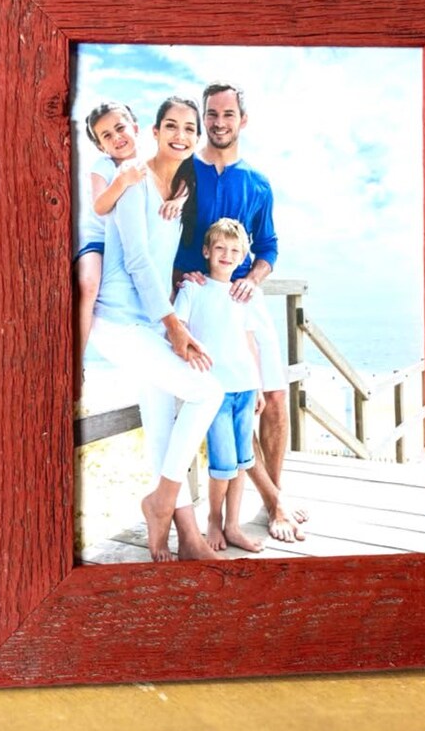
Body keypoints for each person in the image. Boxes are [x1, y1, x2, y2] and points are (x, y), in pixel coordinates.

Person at [85, 96, 223, 562]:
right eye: (172, 126)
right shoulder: (133, 182)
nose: (181, 135)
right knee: (208, 392)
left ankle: (189, 539)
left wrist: (181, 285)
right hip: (120, 323)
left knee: (163, 431)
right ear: (155, 131)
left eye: (189, 128)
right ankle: (160, 501)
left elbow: (161, 260)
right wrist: (174, 326)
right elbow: (138, 262)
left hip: (147, 323)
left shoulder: (177, 190)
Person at [173, 82, 306, 542]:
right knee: (225, 397)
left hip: (245, 301)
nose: (219, 123)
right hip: (200, 301)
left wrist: (255, 278)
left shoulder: (258, 183)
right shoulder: (183, 172)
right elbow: (164, 232)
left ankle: (273, 497)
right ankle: (272, 503)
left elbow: (268, 247)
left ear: (242, 120)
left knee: (275, 397)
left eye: (228, 114)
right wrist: (180, 277)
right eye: (211, 114)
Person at [173, 218, 266, 554]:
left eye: (235, 250)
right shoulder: (193, 289)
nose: (227, 255)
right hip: (214, 391)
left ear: (243, 257)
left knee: (242, 462)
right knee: (222, 465)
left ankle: (233, 526)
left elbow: (250, 342)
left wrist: (258, 387)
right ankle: (214, 519)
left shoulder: (243, 294)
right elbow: (177, 329)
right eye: (220, 248)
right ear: (206, 251)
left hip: (245, 387)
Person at [74, 102, 186, 375]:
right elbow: (100, 206)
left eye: (120, 128)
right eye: (107, 136)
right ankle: (76, 362)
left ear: (135, 128)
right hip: (99, 241)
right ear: (101, 146)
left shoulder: (150, 161)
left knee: (162, 281)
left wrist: (180, 200)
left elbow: (183, 179)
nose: (116, 137)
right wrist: (122, 180)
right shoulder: (104, 166)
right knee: (89, 283)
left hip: (130, 242)